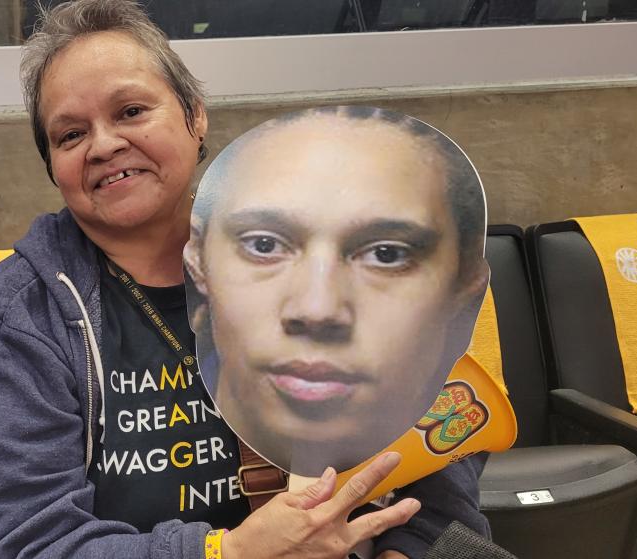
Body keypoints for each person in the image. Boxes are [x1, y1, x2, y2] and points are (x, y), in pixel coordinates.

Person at [0, 1, 489, 558]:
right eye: (70, 135)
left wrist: (412, 546)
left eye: (130, 111)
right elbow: (10, 545)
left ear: (194, 116)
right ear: (53, 166)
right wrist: (228, 553)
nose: (103, 145)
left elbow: (442, 430)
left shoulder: (314, 245)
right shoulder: (15, 326)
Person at [184, 107, 489, 476]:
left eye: (386, 254)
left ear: (464, 285)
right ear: (199, 261)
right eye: (263, 245)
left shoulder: (459, 423)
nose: (317, 309)